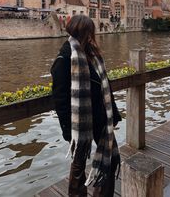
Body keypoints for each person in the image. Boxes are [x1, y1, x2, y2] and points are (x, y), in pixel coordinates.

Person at [51, 15, 121, 197]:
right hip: (79, 124)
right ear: (81, 32)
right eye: (90, 32)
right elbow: (60, 99)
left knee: (110, 159)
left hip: (100, 119)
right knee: (78, 166)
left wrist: (114, 114)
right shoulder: (65, 58)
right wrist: (68, 129)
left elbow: (106, 86)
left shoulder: (92, 54)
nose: (92, 36)